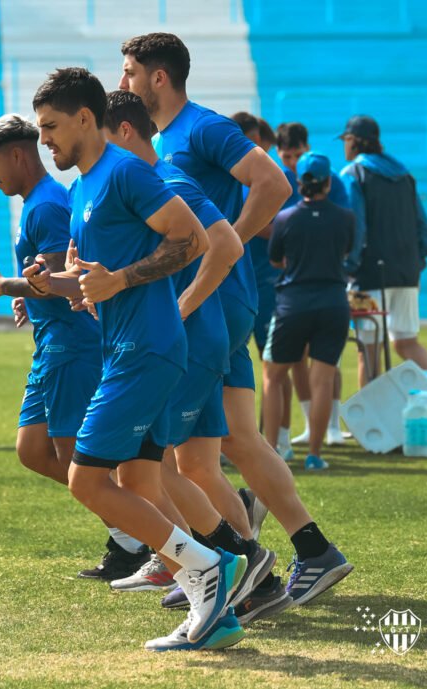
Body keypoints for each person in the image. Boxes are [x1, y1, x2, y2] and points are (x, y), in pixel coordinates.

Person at [28, 67, 266, 651]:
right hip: (126, 347)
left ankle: (207, 569)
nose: (45, 140)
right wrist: (54, 283)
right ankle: (219, 605)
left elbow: (194, 239)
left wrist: (120, 280)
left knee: (87, 480)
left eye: (52, 127)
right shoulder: (83, 186)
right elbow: (100, 279)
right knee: (136, 477)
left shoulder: (125, 172)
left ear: (86, 118)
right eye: (40, 130)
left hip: (149, 348)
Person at [119, 32, 352, 606]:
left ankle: (241, 565)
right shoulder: (165, 139)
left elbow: (274, 183)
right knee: (229, 446)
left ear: (158, 77)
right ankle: (283, 562)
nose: (122, 83)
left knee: (184, 457)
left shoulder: (202, 127)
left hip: (214, 301)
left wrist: (228, 243)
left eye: (129, 72)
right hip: (217, 299)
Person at [101, 90, 291, 626]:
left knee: (151, 466)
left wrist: (182, 308)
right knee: (194, 467)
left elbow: (226, 246)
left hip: (195, 342)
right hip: (199, 342)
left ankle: (231, 563)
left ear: (126, 133)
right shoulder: (149, 188)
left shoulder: (171, 182)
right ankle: (251, 577)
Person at [0, 114, 150, 582]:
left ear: (16, 155)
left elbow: (59, 282)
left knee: (79, 459)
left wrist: (1, 285)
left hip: (72, 345)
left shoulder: (47, 204)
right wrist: (23, 296)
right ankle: (136, 536)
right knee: (33, 451)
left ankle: (141, 539)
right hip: (51, 343)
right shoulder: (37, 202)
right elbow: (46, 280)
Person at [262, 152, 355, 471]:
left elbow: (276, 259)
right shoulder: (345, 218)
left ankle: (271, 451)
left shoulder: (286, 218)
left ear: (298, 183)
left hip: (293, 303)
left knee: (273, 376)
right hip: (333, 302)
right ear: (328, 182)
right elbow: (346, 252)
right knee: (323, 380)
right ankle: (315, 454)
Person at [339, 114, 427, 384]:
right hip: (407, 274)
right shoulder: (405, 175)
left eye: (346, 140)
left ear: (355, 142)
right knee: (407, 342)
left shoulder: (353, 174)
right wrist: (416, 262)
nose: (343, 146)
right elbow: (425, 228)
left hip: (367, 277)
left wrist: (349, 268)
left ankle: (368, 425)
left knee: (368, 351)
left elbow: (356, 228)